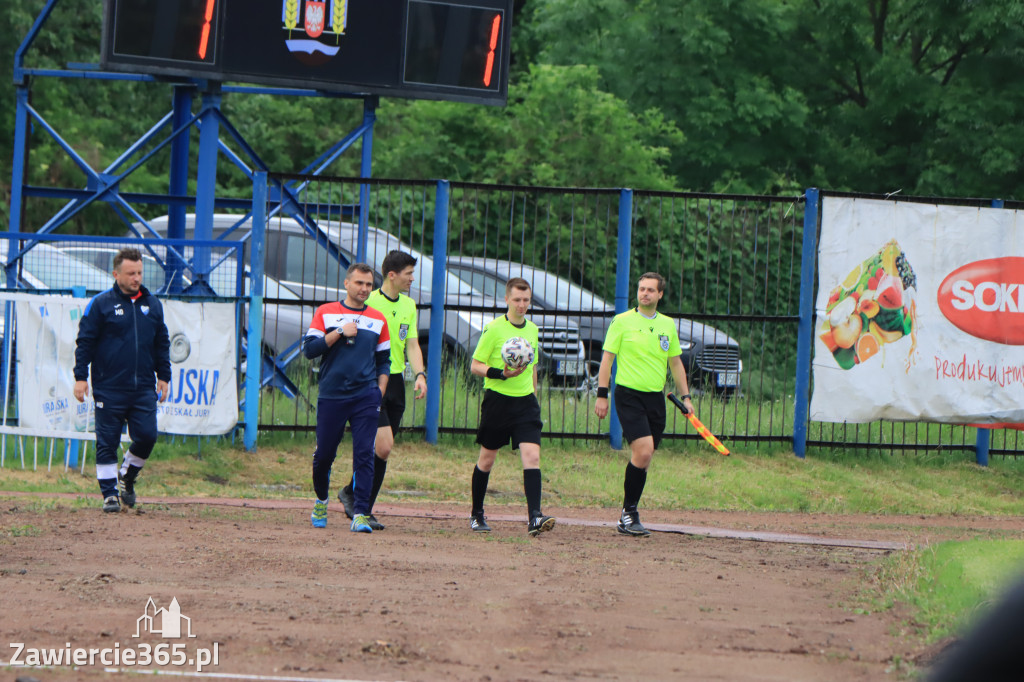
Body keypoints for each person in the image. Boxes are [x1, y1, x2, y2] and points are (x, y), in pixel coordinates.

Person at [594, 272, 693, 537]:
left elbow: (675, 363)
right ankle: (629, 513)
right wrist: (602, 394)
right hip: (628, 395)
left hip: (655, 398)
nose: (644, 294)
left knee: (644, 458)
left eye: (650, 290)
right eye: (641, 289)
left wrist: (686, 397)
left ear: (660, 294)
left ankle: (628, 513)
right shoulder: (622, 321)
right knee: (644, 450)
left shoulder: (667, 324)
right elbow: (606, 361)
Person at [73, 247, 171, 513]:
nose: (136, 278)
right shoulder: (101, 304)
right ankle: (109, 495)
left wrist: (164, 376)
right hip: (109, 387)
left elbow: (161, 343)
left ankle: (126, 477)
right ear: (116, 274)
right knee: (107, 441)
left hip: (142, 388)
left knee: (148, 436)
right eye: (130, 273)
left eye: (139, 272)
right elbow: (85, 343)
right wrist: (80, 377)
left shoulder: (153, 305)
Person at [337, 250, 427, 530]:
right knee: (383, 445)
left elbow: (411, 343)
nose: (412, 278)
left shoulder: (409, 305)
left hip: (397, 382)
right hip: (371, 380)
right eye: (408, 274)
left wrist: (420, 374)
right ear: (392, 275)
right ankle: (357, 502)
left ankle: (358, 501)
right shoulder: (369, 301)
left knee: (383, 451)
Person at [302, 262, 391, 533]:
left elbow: (384, 361)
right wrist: (339, 332)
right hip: (332, 395)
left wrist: (379, 391)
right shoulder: (326, 313)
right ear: (346, 284)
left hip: (365, 395)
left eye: (368, 284)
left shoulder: (378, 319)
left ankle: (361, 513)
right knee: (324, 455)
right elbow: (310, 350)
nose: (364, 288)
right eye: (359, 283)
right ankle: (321, 500)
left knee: (364, 453)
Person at [468, 277, 555, 536]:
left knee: (532, 456)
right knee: (487, 459)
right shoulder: (493, 329)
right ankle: (476, 514)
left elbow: (533, 367)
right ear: (507, 299)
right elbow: (475, 366)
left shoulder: (533, 330)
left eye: (526, 300)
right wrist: (500, 374)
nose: (522, 305)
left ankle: (535, 517)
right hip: (498, 401)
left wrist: (534, 395)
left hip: (526, 403)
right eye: (517, 299)